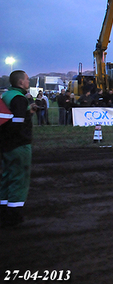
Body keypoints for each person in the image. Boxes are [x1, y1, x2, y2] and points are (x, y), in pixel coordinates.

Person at [0, 70, 36, 228]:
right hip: (18, 145)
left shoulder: (6, 96)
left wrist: (29, 112)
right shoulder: (20, 99)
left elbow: (9, 119)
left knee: (6, 176)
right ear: (21, 82)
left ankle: (3, 209)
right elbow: (17, 124)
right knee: (19, 178)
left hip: (5, 145)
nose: (28, 82)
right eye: (27, 79)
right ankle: (14, 215)